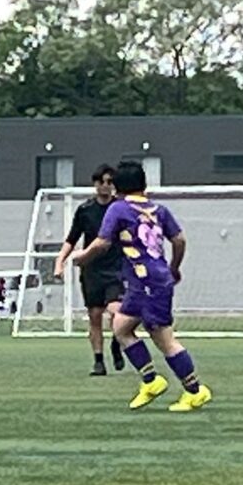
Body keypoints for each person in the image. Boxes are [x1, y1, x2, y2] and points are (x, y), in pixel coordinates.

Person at [72, 160, 211, 413]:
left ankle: (194, 391)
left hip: (146, 282)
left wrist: (83, 257)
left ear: (118, 187)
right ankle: (151, 381)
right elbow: (179, 240)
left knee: (164, 340)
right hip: (149, 280)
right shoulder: (158, 209)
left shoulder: (118, 208)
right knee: (121, 327)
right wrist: (173, 267)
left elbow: (102, 243)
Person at [54, 164, 125, 376]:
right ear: (95, 184)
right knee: (95, 315)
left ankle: (117, 342)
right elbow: (71, 239)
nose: (105, 186)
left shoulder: (120, 208)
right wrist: (60, 262)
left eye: (109, 182)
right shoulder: (85, 210)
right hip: (92, 270)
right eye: (101, 182)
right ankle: (99, 361)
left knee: (116, 312)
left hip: (115, 269)